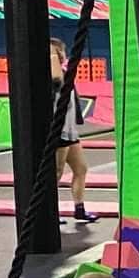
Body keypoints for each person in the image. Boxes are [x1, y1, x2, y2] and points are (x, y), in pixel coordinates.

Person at [51, 42, 97, 225]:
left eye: (61, 50)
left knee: (81, 169)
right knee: (56, 173)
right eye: (57, 51)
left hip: (70, 131)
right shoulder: (50, 75)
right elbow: (56, 81)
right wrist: (52, 56)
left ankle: (79, 209)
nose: (61, 54)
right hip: (58, 131)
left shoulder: (65, 73)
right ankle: (50, 213)